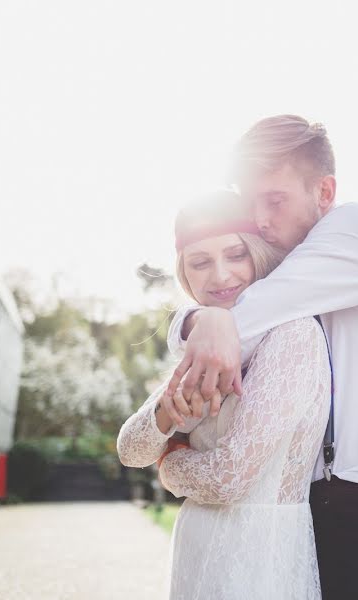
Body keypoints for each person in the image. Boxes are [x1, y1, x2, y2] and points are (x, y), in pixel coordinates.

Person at [161, 115, 358, 599]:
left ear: (324, 191)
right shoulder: (292, 266)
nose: (261, 220)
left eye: (275, 200)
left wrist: (199, 321)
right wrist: (192, 319)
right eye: (251, 203)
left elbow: (238, 318)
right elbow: (224, 315)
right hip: (309, 511)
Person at [116, 190, 332, 599]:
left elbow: (227, 481)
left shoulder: (294, 335)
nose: (219, 276)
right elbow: (130, 450)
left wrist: (170, 465)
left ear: (259, 254)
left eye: (236, 254)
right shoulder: (204, 345)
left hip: (261, 550)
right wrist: (166, 410)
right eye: (200, 262)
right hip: (197, 547)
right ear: (185, 273)